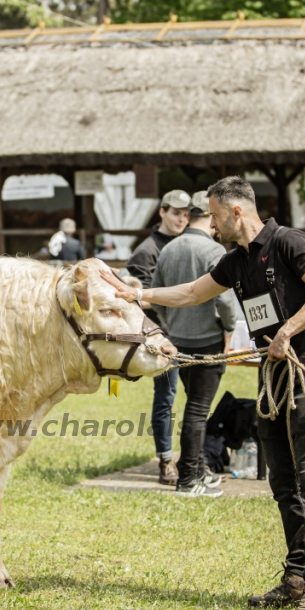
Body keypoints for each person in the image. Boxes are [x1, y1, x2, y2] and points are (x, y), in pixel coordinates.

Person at [101, 176, 305, 610]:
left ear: (236, 212)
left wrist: (287, 331)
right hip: (272, 378)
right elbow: (193, 293)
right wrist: (136, 294)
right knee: (283, 481)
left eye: (212, 215)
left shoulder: (288, 242)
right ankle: (296, 575)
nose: (208, 224)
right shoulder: (235, 261)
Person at [150, 200, 238, 497]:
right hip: (208, 339)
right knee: (198, 410)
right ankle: (189, 478)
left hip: (178, 340)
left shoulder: (169, 248)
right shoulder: (213, 251)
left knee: (193, 406)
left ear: (189, 216)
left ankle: (197, 469)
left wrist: (169, 325)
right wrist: (229, 328)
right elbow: (225, 301)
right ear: (210, 219)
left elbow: (157, 294)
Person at [126, 189, 191, 485]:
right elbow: (139, 301)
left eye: (187, 213)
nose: (182, 218)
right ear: (162, 212)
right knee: (166, 398)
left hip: (195, 332)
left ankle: (193, 459)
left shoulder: (191, 243)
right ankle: (166, 460)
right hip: (163, 336)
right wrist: (180, 296)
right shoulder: (147, 250)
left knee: (196, 400)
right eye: (176, 212)